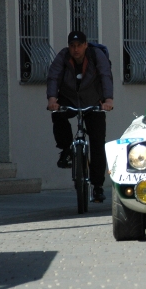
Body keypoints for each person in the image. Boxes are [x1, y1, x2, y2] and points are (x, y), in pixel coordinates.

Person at [46, 31, 114, 203]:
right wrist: (52, 99)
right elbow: (53, 76)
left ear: (85, 45)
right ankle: (66, 150)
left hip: (93, 101)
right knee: (58, 115)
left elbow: (105, 76)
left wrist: (108, 100)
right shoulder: (63, 57)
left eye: (79, 46)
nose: (75, 49)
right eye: (72, 46)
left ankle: (97, 187)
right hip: (69, 98)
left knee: (97, 142)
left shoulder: (96, 56)